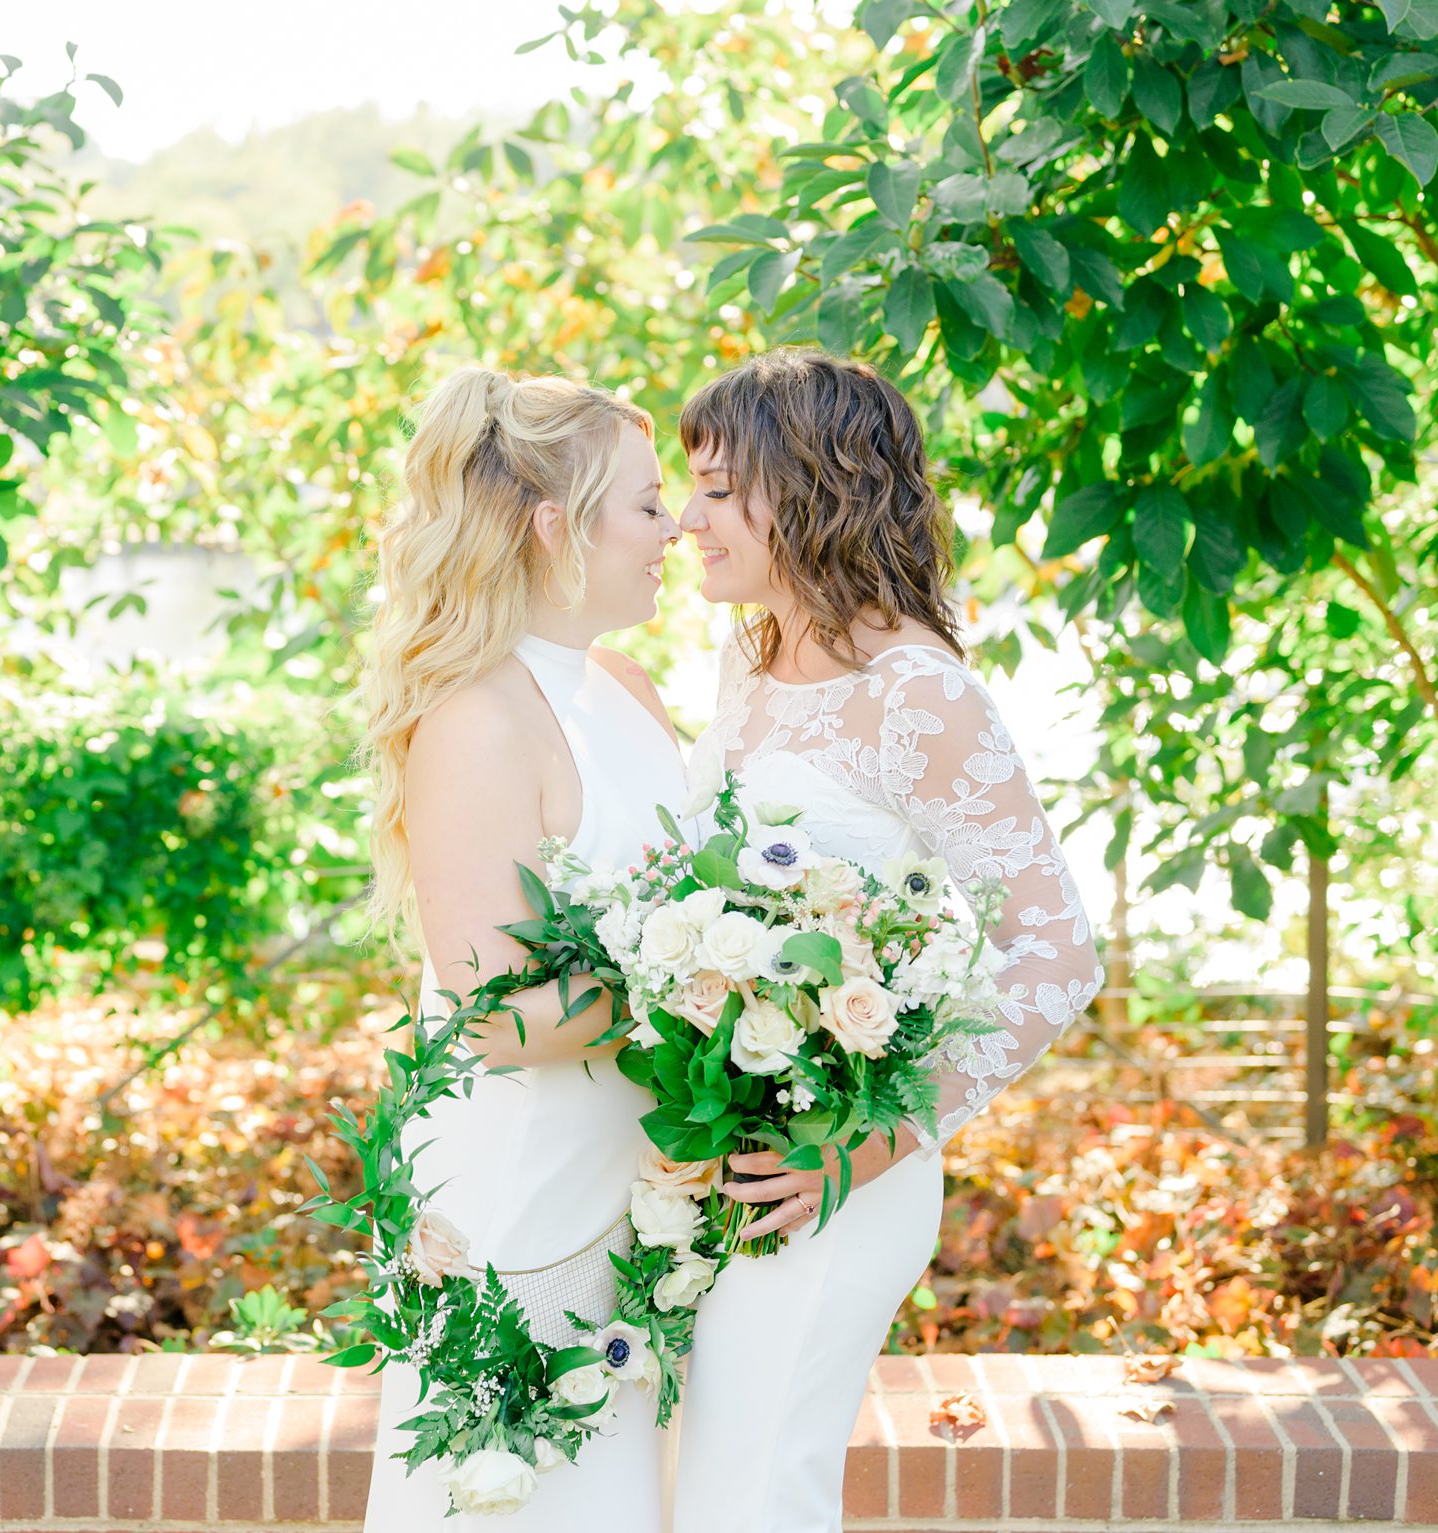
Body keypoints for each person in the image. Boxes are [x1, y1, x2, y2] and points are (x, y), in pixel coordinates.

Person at [669, 347, 1105, 1532]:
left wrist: (869, 1145)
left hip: (846, 1168)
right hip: (727, 1159)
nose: (685, 522)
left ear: (808, 486)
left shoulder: (922, 693)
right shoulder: (748, 664)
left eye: (716, 490)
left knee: (753, 1488)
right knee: (695, 1480)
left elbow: (1056, 954)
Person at [359, 367, 686, 1530]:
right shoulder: (476, 719)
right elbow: (495, 1013)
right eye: (648, 504)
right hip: (527, 1192)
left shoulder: (627, 684)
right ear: (556, 526)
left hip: (643, 1180)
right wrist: (706, 991)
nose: (678, 526)